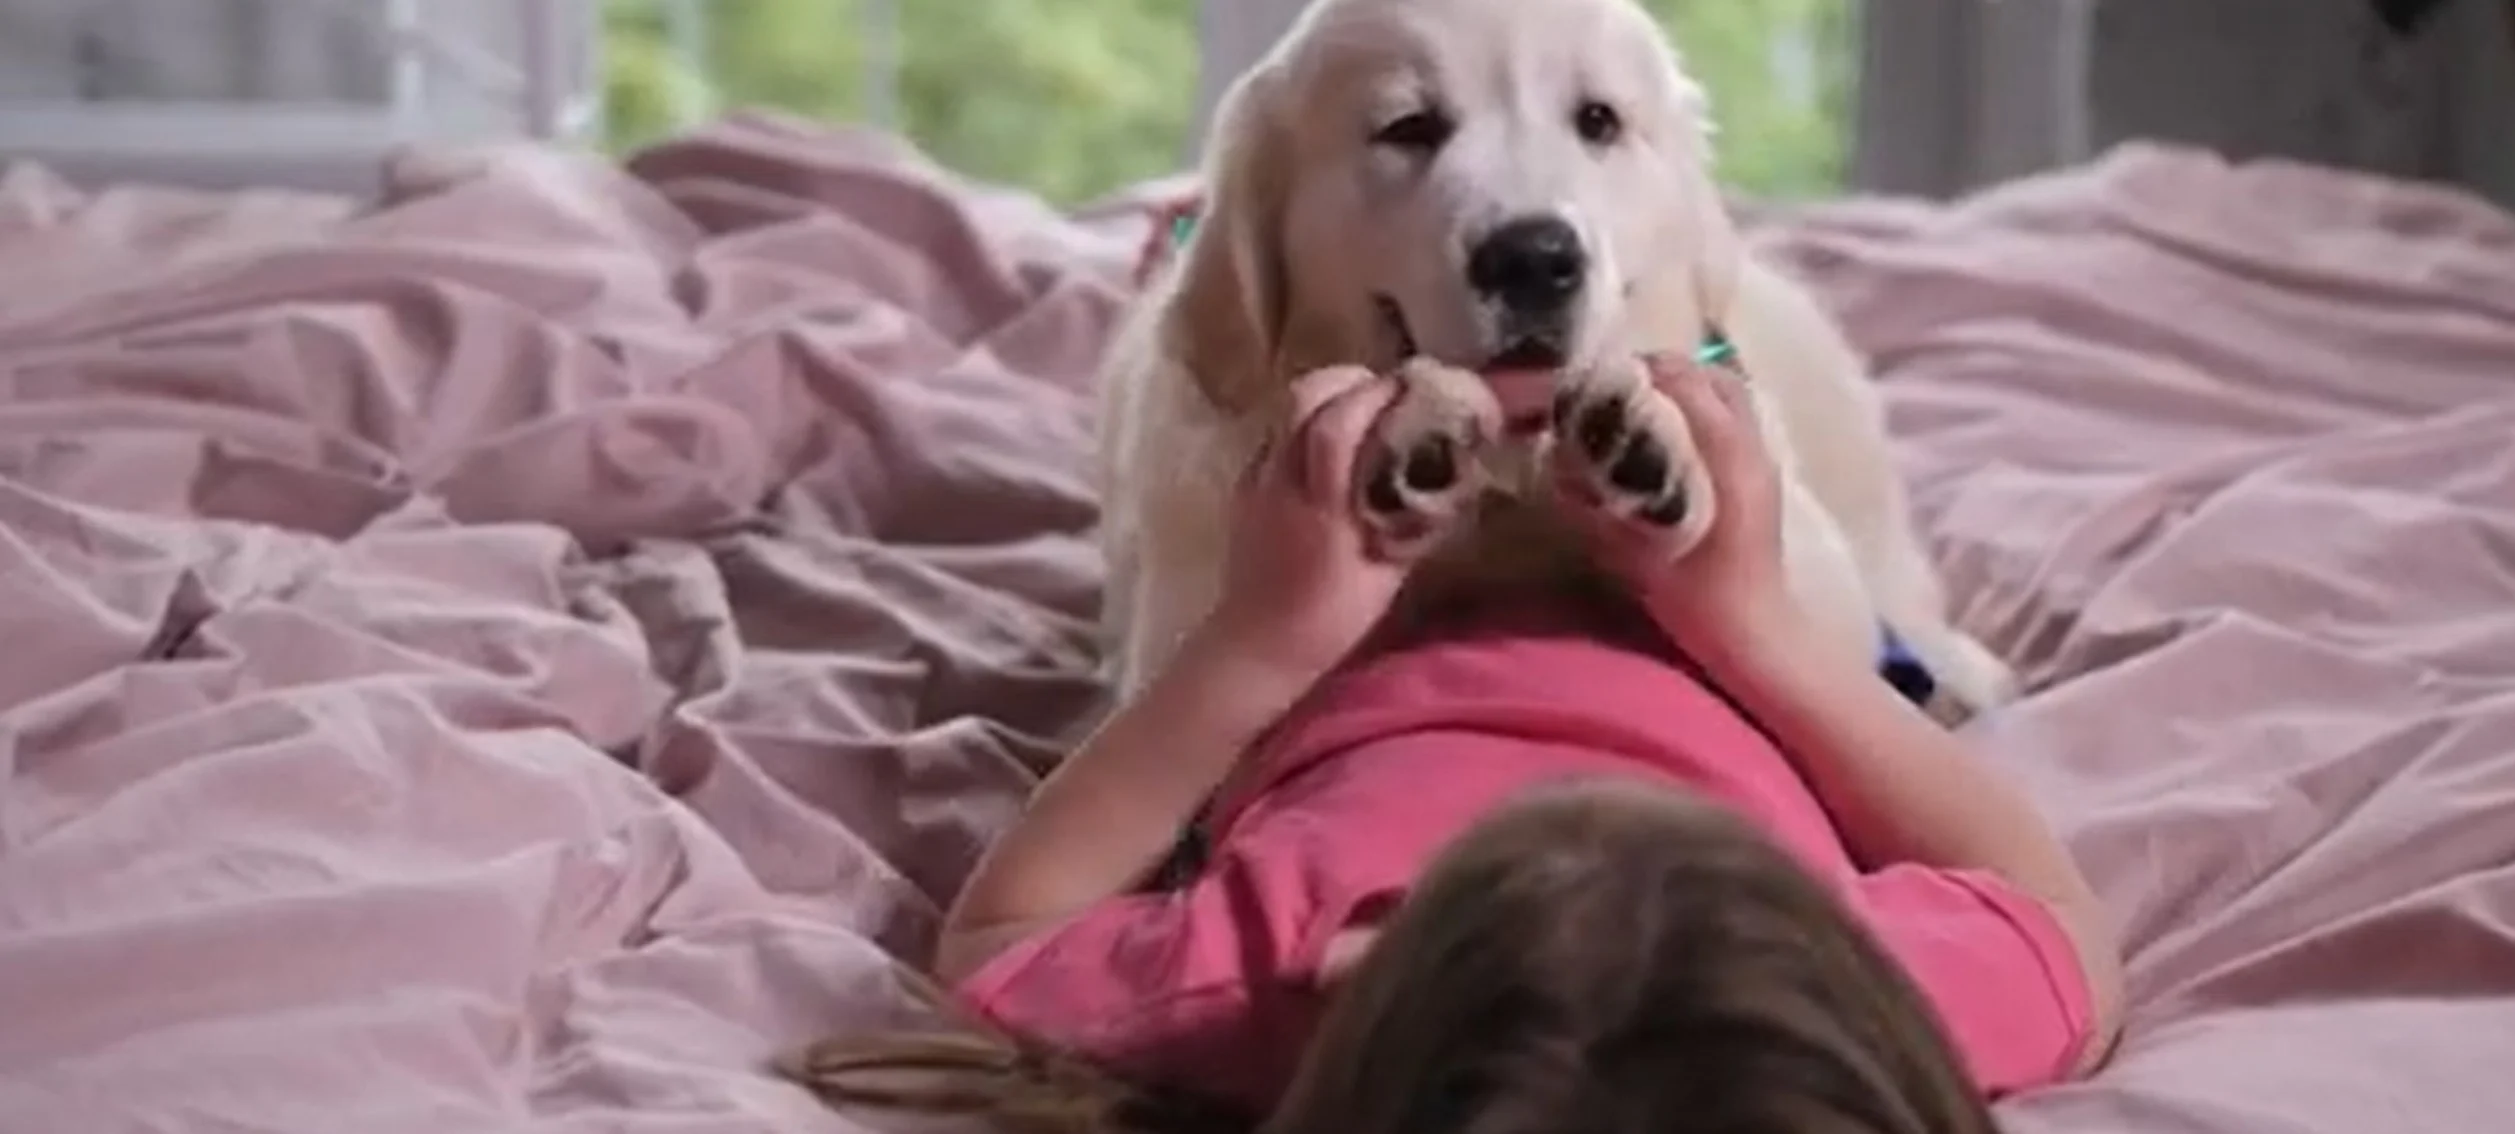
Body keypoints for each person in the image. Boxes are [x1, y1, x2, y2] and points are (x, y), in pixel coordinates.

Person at [783, 354, 2128, 1134]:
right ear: (1844, 967)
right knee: (1687, 393)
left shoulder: (1256, 988)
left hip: (1376, 615)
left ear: (1353, 975)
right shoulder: (1841, 1024)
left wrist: (1261, 637)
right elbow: (2052, 917)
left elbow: (999, 941)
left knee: (1308, 398)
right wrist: (1754, 620)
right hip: (1697, 636)